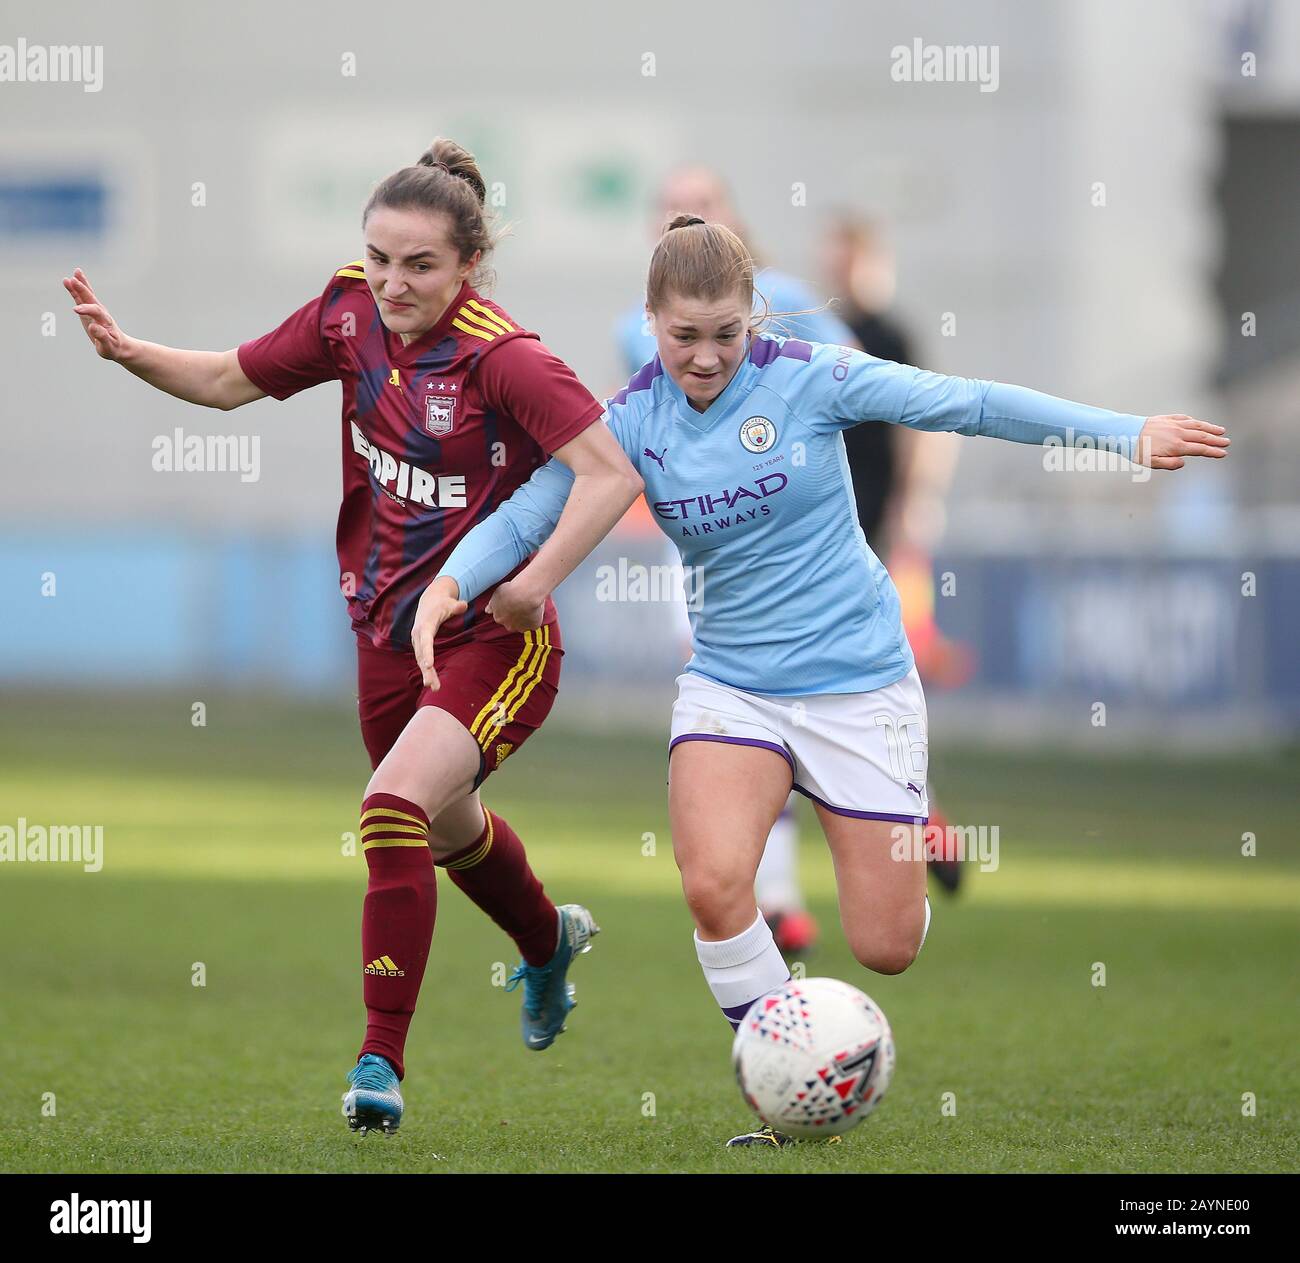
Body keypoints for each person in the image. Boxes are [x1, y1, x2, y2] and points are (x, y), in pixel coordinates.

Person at [413, 214, 1229, 1148]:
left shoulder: (811, 376)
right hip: (733, 687)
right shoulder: (632, 420)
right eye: (684, 336)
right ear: (650, 322)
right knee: (717, 884)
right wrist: (449, 585)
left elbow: (965, 401)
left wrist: (1123, 436)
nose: (707, 356)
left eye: (727, 333)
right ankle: (790, 1079)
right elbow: (527, 515)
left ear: (754, 319)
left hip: (860, 683)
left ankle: (900, 813)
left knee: (889, 946)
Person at [61, 138, 643, 1138]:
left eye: (418, 264)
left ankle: (379, 1060)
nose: (392, 281)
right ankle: (547, 945)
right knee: (441, 828)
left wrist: (533, 586)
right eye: (378, 256)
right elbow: (227, 383)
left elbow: (610, 471)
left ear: (468, 268)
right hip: (382, 629)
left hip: (494, 638)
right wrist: (129, 351)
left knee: (387, 806)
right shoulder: (345, 313)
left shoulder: (505, 357)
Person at [615, 165, 863, 956]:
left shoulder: (788, 297)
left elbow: (852, 378)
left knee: (836, 686)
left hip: (811, 523)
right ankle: (781, 892)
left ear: (731, 217)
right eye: (666, 211)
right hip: (706, 545)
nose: (679, 220)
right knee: (744, 702)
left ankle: (904, 804)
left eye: (699, 207)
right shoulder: (637, 324)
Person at [819, 211, 973, 892]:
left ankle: (917, 810)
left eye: (850, 255)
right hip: (828, 535)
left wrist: (917, 505)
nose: (841, 268)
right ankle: (918, 809)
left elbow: (931, 423)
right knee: (844, 680)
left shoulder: (891, 334)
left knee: (872, 677)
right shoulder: (821, 331)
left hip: (875, 537)